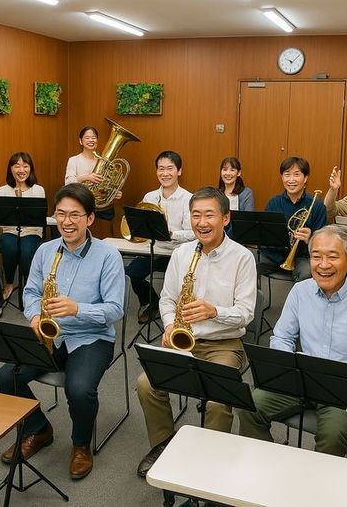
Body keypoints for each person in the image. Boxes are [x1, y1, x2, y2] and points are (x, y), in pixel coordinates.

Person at [0, 183, 125, 480]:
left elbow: (115, 309)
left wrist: (77, 308)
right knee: (6, 377)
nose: (67, 222)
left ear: (90, 218)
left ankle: (81, 445)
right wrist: (34, 316)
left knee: (78, 389)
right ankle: (38, 428)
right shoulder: (45, 250)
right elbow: (30, 292)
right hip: (49, 333)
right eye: (61, 214)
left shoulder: (108, 256)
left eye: (75, 215)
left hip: (92, 336)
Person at [135, 187, 257, 478]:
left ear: (225, 218)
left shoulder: (242, 258)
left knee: (218, 399)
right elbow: (167, 299)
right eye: (195, 215)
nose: (201, 223)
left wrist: (214, 311)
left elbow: (246, 313)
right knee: (146, 383)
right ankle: (164, 445)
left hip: (224, 343)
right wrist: (169, 325)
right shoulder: (182, 253)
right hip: (183, 339)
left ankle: (209, 461)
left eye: (209, 215)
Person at [237, 225, 347, 457]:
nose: (323, 265)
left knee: (333, 433)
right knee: (250, 407)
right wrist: (288, 367)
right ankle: (264, 466)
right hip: (300, 380)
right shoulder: (300, 291)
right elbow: (282, 337)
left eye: (332, 257)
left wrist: (338, 380)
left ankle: (320, 480)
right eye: (316, 257)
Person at [125, 150, 195, 324]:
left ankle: (178, 315)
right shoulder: (150, 197)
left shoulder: (188, 199)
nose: (165, 173)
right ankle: (153, 303)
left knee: (180, 284)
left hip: (177, 253)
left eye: (170, 168)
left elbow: (193, 232)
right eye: (161, 169)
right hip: (153, 249)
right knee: (132, 272)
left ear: (179, 171)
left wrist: (172, 234)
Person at [259, 157, 327, 282]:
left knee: (306, 275)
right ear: (282, 177)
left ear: (305, 178)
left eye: (296, 174)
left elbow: (323, 242)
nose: (291, 180)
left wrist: (310, 238)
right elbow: (265, 236)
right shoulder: (274, 203)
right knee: (250, 266)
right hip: (275, 255)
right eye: (287, 175)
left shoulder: (317, 205)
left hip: (303, 256)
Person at [0, 152, 46, 301]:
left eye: (25, 166)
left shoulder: (38, 190)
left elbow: (39, 217)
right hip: (10, 231)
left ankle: (30, 288)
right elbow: (1, 220)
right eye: (17, 166)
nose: (21, 170)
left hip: (32, 231)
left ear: (31, 169)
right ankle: (9, 283)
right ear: (10, 169)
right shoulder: (2, 190)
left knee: (27, 250)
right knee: (9, 247)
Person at [65, 125, 120, 235]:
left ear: (97, 141)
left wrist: (114, 192)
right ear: (80, 141)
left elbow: (106, 185)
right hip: (82, 204)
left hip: (102, 208)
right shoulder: (74, 160)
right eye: (87, 138)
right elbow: (68, 183)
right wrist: (86, 177)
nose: (91, 140)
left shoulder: (104, 161)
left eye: (93, 138)